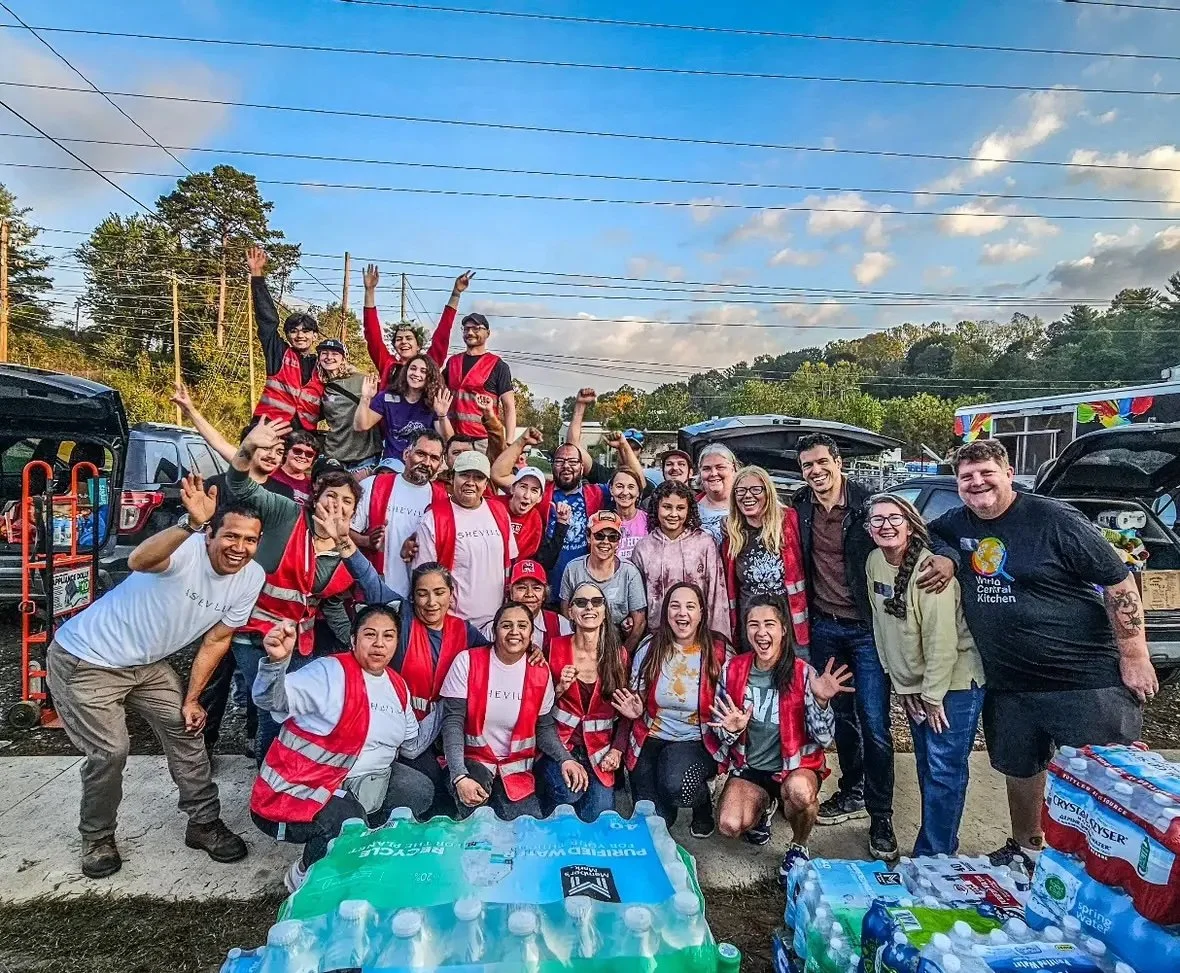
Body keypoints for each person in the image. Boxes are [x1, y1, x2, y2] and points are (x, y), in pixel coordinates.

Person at [923, 439, 1153, 871]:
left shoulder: (1053, 519)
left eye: (986, 473)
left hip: (1085, 679)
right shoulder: (957, 522)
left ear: (1009, 474)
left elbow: (1119, 583)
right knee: (1021, 770)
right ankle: (1027, 848)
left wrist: (1134, 653)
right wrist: (950, 557)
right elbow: (933, 534)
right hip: (1010, 685)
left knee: (1103, 779)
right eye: (967, 477)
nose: (977, 483)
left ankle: (1108, 865)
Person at [46, 475, 260, 878]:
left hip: (146, 665)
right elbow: (138, 561)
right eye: (231, 536)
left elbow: (217, 639)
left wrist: (193, 697)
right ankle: (97, 836)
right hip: (87, 658)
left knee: (186, 727)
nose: (240, 548)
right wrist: (188, 523)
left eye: (250, 540)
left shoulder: (251, 578)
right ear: (210, 534)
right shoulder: (186, 548)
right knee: (110, 751)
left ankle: (203, 823)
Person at [793, 432, 955, 861]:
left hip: (866, 630)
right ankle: (851, 791)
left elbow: (920, 533)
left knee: (875, 723)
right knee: (843, 718)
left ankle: (880, 817)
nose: (815, 471)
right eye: (807, 465)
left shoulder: (868, 503)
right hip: (824, 628)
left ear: (838, 461)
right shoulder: (801, 507)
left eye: (821, 462)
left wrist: (947, 556)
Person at [249, 607, 435, 892]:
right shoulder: (329, 672)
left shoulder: (397, 685)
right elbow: (272, 701)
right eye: (369, 635)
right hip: (302, 787)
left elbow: (412, 743)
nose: (379, 644)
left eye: (388, 636)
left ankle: (362, 849)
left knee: (418, 790)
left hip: (364, 783)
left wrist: (451, 707)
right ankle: (306, 876)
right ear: (352, 639)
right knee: (347, 822)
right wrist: (276, 663)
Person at [214, 418, 363, 763]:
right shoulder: (287, 515)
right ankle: (267, 789)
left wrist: (361, 641)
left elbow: (333, 608)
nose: (337, 506)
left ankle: (283, 776)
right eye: (331, 497)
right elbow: (239, 486)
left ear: (354, 512)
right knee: (271, 709)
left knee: (294, 711)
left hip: (299, 641)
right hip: (254, 634)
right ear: (315, 499)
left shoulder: (345, 554)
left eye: (346, 502)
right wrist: (248, 449)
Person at [865, 494, 986, 857]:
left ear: (911, 523)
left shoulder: (931, 569)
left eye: (894, 518)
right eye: (877, 520)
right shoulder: (874, 562)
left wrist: (933, 696)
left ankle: (934, 855)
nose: (886, 525)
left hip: (953, 684)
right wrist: (901, 684)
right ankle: (939, 845)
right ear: (869, 530)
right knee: (927, 764)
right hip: (915, 685)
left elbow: (942, 641)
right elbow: (881, 626)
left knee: (943, 769)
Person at [710, 596, 851, 880]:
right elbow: (722, 735)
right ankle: (765, 808)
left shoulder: (803, 673)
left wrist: (822, 703)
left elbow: (823, 740)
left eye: (769, 624)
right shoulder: (733, 669)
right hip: (751, 768)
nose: (761, 633)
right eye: (754, 625)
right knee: (728, 825)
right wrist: (733, 729)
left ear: (784, 629)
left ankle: (798, 845)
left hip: (794, 766)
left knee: (800, 794)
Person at [440, 601, 588, 819]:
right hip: (473, 766)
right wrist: (459, 776)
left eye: (522, 626)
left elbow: (544, 727)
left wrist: (565, 758)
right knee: (478, 830)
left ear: (531, 633)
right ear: (494, 630)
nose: (514, 632)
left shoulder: (540, 672)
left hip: (516, 774)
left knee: (526, 833)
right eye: (506, 626)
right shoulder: (467, 662)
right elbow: (452, 723)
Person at [618, 582, 729, 836]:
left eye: (690, 606)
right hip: (652, 736)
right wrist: (635, 709)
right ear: (666, 612)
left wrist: (731, 732)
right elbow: (637, 696)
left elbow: (732, 707)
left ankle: (702, 805)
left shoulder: (719, 650)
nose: (682, 613)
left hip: (696, 740)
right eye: (675, 606)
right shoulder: (649, 647)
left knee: (679, 786)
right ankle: (665, 793)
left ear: (701, 612)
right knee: (655, 822)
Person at [542, 581, 634, 820]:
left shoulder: (619, 655)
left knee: (601, 817)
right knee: (569, 792)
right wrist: (559, 688)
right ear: (570, 612)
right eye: (580, 603)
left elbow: (626, 715)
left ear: (605, 611)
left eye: (596, 602)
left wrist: (617, 750)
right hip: (560, 748)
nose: (589, 608)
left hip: (600, 755)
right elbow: (536, 712)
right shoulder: (553, 648)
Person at [411, 450, 517, 628]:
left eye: (478, 477)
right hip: (455, 624)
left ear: (486, 483)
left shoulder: (499, 511)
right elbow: (424, 577)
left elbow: (509, 563)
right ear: (452, 478)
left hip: (496, 622)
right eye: (464, 475)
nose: (471, 483)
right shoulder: (434, 518)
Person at [350, 430, 448, 599]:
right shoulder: (373, 486)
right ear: (406, 454)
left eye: (434, 458)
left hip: (421, 599)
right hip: (375, 591)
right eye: (421, 454)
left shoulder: (443, 499)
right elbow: (345, 531)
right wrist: (367, 541)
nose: (426, 462)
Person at [631, 480, 732, 645]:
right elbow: (638, 602)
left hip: (698, 637)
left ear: (689, 510)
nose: (673, 514)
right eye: (667, 507)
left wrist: (718, 641)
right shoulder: (643, 548)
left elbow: (716, 595)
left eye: (680, 508)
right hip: (658, 638)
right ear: (656, 507)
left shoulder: (704, 543)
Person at [722, 465, 809, 653]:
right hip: (752, 630)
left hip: (791, 626)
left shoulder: (789, 522)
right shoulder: (732, 536)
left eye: (756, 489)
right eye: (741, 491)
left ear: (768, 492)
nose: (748, 496)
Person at [170, 383, 294, 503]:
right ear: (251, 446)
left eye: (279, 452)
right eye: (266, 448)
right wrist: (189, 410)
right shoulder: (220, 485)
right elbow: (218, 442)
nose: (272, 456)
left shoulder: (284, 492)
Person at [247, 246, 323, 430]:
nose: (300, 336)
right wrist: (257, 276)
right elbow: (267, 320)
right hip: (269, 427)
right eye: (294, 331)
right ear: (288, 335)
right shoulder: (279, 353)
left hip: (302, 436)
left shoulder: (323, 365)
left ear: (315, 335)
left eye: (305, 331)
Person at [362, 265, 472, 386]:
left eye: (409, 338)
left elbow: (443, 333)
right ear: (394, 345)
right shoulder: (388, 365)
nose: (404, 342)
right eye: (399, 339)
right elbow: (372, 336)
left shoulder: (429, 364)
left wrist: (456, 294)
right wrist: (369, 291)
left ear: (418, 345)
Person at [559, 510, 648, 652]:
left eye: (612, 537)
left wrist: (622, 658)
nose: (605, 542)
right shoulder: (573, 569)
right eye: (599, 536)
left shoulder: (630, 572)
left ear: (618, 542)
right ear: (589, 537)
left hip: (617, 646)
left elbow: (639, 623)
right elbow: (565, 614)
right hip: (580, 648)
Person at [353, 356, 454, 470]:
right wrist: (365, 398)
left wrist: (442, 415)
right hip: (392, 464)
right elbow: (360, 426)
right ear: (406, 371)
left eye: (423, 371)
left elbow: (448, 441)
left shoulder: (434, 402)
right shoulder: (387, 397)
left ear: (430, 376)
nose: (416, 373)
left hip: (422, 464)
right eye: (413, 368)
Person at [443, 310, 516, 448]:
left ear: (487, 333)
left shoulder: (498, 366)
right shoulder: (452, 362)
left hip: (483, 442)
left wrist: (509, 442)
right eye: (466, 329)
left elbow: (509, 406)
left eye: (476, 328)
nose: (470, 332)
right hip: (454, 439)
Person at [315, 337, 383, 475]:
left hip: (365, 456)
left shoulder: (362, 379)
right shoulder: (320, 385)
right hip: (334, 455)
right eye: (324, 353)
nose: (329, 357)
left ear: (343, 358)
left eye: (335, 354)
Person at [489, 559, 572, 654]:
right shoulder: (497, 625)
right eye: (522, 588)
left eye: (536, 588)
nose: (529, 594)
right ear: (511, 593)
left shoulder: (562, 626)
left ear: (545, 594)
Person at [697, 444, 739, 545]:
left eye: (720, 467)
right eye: (706, 468)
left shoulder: (750, 504)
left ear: (733, 469)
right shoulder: (689, 508)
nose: (713, 473)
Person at [269, 429, 318, 504]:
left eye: (309, 454)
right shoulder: (269, 474)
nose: (302, 456)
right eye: (297, 451)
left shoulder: (313, 487)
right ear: (286, 452)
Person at [611, 467, 648, 562]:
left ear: (638, 492)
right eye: (619, 486)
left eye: (631, 487)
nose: (625, 492)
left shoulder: (649, 521)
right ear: (611, 490)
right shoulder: (604, 522)